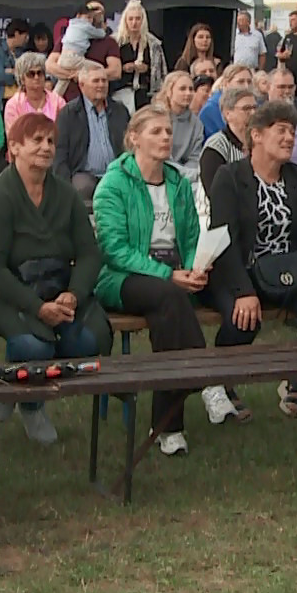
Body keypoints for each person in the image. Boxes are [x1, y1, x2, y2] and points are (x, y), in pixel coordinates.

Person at [0, 112, 110, 445]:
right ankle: (30, 403)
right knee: (34, 345)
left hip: (55, 286)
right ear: (14, 147)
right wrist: (36, 307)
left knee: (84, 343)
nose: (46, 147)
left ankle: (12, 384)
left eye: (50, 141)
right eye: (37, 140)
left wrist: (73, 294)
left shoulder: (65, 194)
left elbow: (89, 253)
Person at [94, 105, 225, 446]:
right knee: (169, 295)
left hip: (173, 275)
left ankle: (168, 428)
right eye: (156, 132)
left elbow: (192, 236)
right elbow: (114, 249)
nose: (166, 137)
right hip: (123, 275)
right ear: (134, 138)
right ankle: (207, 377)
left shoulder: (177, 181)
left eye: (168, 131)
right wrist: (169, 275)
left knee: (173, 311)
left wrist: (195, 267)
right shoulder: (113, 184)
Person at [205, 100, 297, 417]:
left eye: (293, 132)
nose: (289, 138)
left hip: (287, 270)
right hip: (239, 270)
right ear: (256, 135)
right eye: (281, 130)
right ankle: (221, 382)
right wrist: (244, 292)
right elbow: (224, 240)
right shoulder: (229, 177)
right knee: (243, 319)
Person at [54, 64, 130, 200]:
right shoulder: (69, 113)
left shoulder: (120, 110)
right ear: (82, 85)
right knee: (82, 188)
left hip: (117, 172)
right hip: (83, 173)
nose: (101, 85)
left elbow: (130, 145)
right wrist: (63, 186)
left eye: (104, 81)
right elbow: (60, 152)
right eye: (96, 81)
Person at [198, 85, 258, 189]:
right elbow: (214, 190)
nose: (253, 113)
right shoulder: (216, 146)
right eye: (246, 109)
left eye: (255, 108)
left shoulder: (260, 141)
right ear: (228, 114)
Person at [112, 1, 167, 112]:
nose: (134, 23)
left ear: (143, 20)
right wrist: (122, 68)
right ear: (125, 20)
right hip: (120, 92)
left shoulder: (153, 44)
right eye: (131, 19)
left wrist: (147, 69)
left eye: (138, 19)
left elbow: (161, 72)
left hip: (145, 94)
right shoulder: (115, 42)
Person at [2, 51, 63, 131]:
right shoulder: (13, 105)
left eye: (40, 73)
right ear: (22, 79)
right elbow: (13, 135)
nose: (36, 77)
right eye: (31, 74)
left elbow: (65, 132)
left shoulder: (58, 101)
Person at [0, 18, 29, 105]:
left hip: (19, 100)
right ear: (17, 34)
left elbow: (26, 74)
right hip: (1, 101)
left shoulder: (21, 53)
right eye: (24, 36)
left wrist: (11, 71)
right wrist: (17, 74)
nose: (26, 40)